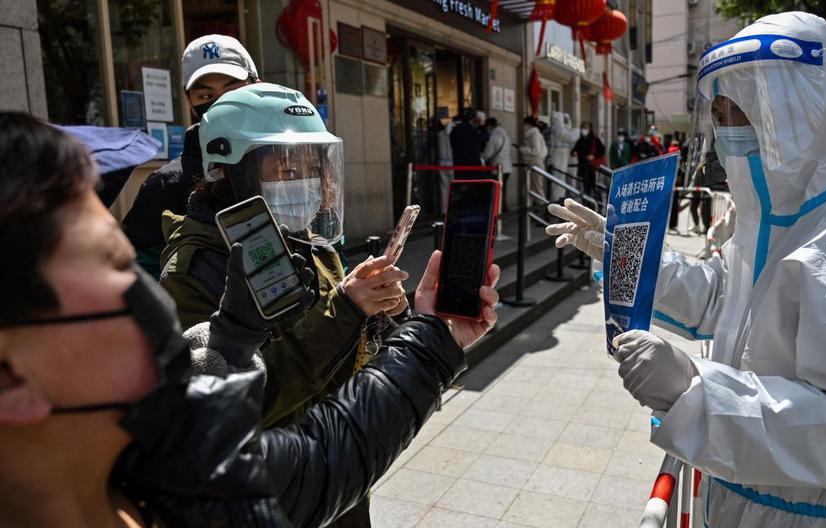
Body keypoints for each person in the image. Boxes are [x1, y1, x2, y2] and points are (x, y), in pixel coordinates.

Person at [546, 12, 826, 527]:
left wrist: (697, 394)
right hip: (749, 503)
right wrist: (631, 263)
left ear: (795, 109)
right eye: (719, 114)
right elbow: (728, 301)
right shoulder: (790, 215)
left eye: (738, 112)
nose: (726, 133)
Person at [0, 111, 500, 527]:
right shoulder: (198, 270)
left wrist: (432, 334)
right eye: (111, 268)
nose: (147, 298)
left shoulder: (172, 469)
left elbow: (325, 456)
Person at [159, 83, 404, 526]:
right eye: (287, 168)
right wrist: (344, 312)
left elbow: (350, 362)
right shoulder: (193, 272)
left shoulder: (312, 246)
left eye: (314, 166)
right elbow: (229, 408)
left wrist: (385, 315)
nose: (308, 182)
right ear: (227, 172)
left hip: (338, 476)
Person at [122, 34, 259, 279]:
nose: (221, 104)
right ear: (189, 101)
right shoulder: (166, 185)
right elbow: (139, 272)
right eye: (206, 96)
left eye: (233, 90)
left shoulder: (281, 160)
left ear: (257, 85)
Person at [482, 117, 512, 208]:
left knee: (497, 191)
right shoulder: (506, 136)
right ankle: (504, 208)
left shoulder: (494, 137)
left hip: (498, 168)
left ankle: (500, 209)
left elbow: (487, 153)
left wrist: (481, 156)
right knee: (503, 190)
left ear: (490, 126)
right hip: (507, 167)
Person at [547, 112, 580, 197]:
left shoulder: (558, 128)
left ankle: (560, 198)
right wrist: (577, 131)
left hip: (560, 157)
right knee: (558, 179)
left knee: (561, 179)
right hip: (558, 157)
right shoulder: (557, 128)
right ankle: (557, 199)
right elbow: (570, 137)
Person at [571, 122, 605, 202]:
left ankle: (597, 202)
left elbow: (602, 150)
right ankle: (588, 202)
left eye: (586, 128)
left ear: (590, 129)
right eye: (582, 128)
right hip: (583, 167)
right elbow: (573, 150)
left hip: (593, 168)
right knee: (585, 187)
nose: (584, 130)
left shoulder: (595, 139)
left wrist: (593, 156)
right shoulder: (580, 140)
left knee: (594, 186)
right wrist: (573, 152)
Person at [519, 116, 549, 199]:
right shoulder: (533, 134)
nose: (523, 126)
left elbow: (536, 151)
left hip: (536, 164)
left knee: (537, 190)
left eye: (524, 124)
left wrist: (522, 149)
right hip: (533, 164)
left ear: (528, 124)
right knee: (529, 190)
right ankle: (534, 210)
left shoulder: (534, 135)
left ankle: (546, 210)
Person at [435, 117, 454, 214]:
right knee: (453, 188)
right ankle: (452, 210)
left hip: (442, 163)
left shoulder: (440, 135)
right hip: (452, 163)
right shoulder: (454, 133)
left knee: (444, 189)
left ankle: (444, 211)